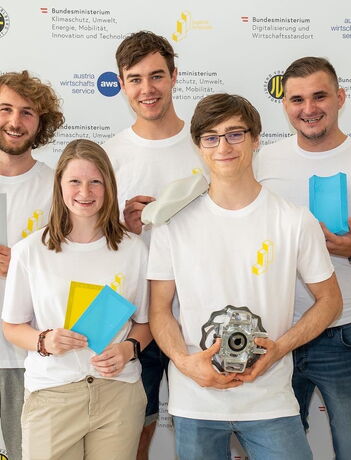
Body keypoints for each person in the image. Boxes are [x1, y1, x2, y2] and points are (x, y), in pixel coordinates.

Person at [148, 93, 342, 460]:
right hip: (196, 400)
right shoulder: (171, 222)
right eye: (211, 137)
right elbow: (159, 310)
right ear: (198, 146)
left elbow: (331, 300)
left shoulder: (294, 220)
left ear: (256, 139)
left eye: (235, 134)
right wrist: (185, 362)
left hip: (270, 399)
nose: (223, 147)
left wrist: (279, 349)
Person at [255, 57, 351, 459]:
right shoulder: (262, 162)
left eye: (319, 96)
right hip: (276, 332)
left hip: (348, 334)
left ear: (340, 97)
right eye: (297, 99)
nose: (309, 108)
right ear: (284, 104)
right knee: (273, 452)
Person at [2, 139, 151, 460]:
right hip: (52, 394)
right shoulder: (30, 251)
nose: (85, 192)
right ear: (59, 185)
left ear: (109, 186)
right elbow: (12, 326)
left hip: (118, 394)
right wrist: (44, 340)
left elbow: (147, 323)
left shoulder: (133, 250)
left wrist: (128, 349)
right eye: (75, 181)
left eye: (95, 181)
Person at [103, 31, 206, 458]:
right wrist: (122, 227)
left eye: (157, 76)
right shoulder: (109, 155)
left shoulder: (207, 145)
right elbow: (88, 243)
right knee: (134, 437)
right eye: (135, 79)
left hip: (200, 315)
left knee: (207, 436)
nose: (147, 89)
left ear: (174, 76)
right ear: (122, 85)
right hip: (134, 320)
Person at [0, 70, 64, 460]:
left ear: (41, 123)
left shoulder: (58, 188)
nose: (14, 121)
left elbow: (77, 268)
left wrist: (23, 267)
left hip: (27, 355)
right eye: (5, 109)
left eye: (27, 112)